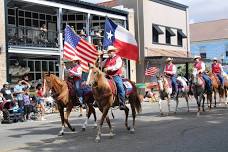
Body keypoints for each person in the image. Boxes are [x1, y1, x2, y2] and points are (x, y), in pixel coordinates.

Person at [102, 45, 126, 110]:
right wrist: (100, 57)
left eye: (110, 52)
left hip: (115, 76)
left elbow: (117, 66)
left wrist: (108, 68)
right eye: (108, 52)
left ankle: (122, 103)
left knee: (120, 87)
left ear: (113, 52)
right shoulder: (107, 60)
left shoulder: (118, 58)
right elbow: (101, 65)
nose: (108, 53)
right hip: (107, 76)